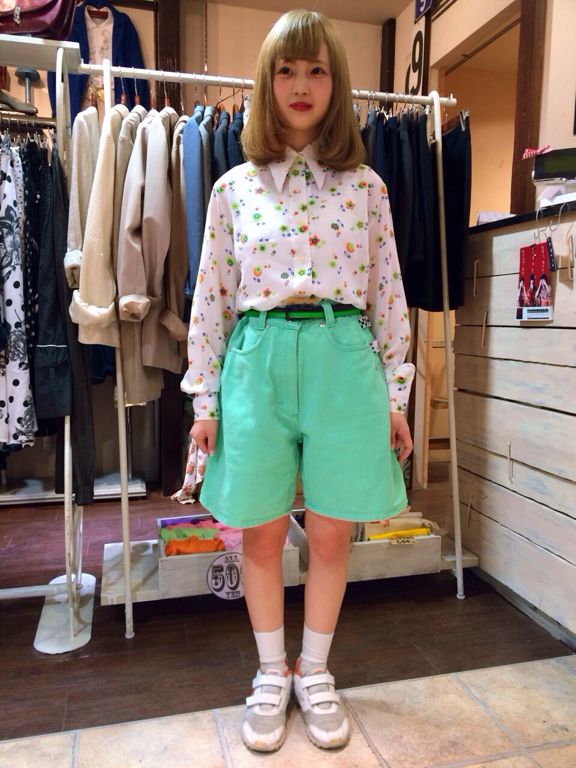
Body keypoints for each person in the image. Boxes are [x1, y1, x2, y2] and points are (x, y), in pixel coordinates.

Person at [181, 9, 415, 753]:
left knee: (334, 528)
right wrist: (205, 399)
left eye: (317, 70)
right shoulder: (233, 189)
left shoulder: (368, 187)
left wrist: (397, 397)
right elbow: (212, 299)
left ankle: (314, 670)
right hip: (257, 358)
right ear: (267, 81)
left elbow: (388, 296)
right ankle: (268, 672)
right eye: (286, 69)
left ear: (336, 83)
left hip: (344, 356)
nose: (301, 84)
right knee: (258, 526)